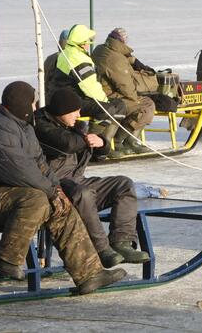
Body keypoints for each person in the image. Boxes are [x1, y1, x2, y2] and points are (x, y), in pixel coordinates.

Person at [0, 81, 126, 294]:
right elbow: (20, 171)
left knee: (61, 205)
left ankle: (90, 273)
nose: (35, 107)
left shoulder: (23, 126)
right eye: (32, 103)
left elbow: (39, 163)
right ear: (21, 103)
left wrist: (57, 190)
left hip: (6, 192)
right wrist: (52, 192)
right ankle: (7, 258)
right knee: (38, 199)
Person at [34, 87, 150, 268]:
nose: (78, 115)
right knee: (84, 193)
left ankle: (122, 242)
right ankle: (101, 249)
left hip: (77, 180)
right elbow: (68, 143)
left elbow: (100, 153)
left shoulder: (72, 125)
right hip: (54, 186)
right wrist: (86, 138)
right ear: (61, 111)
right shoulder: (41, 126)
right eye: (74, 111)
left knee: (123, 184)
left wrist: (101, 141)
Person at [46, 24, 126, 155]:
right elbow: (90, 87)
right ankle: (90, 145)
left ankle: (105, 142)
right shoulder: (78, 58)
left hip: (69, 97)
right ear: (82, 43)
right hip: (70, 100)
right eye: (87, 41)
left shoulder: (69, 52)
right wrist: (105, 101)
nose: (89, 44)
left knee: (119, 105)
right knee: (108, 109)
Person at [92, 28, 157, 155]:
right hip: (110, 96)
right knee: (147, 105)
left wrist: (133, 61)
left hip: (100, 92)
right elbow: (125, 86)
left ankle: (125, 141)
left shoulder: (101, 50)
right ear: (121, 41)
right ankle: (122, 141)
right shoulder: (116, 59)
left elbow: (119, 59)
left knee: (140, 102)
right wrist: (136, 98)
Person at [43, 29, 70, 100]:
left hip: (48, 96)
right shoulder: (68, 59)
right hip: (62, 98)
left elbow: (43, 78)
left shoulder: (49, 58)